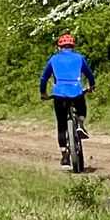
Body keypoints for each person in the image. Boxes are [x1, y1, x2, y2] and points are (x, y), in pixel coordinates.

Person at [39, 34, 95, 167]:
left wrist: (43, 93)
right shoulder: (79, 58)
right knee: (81, 106)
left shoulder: (53, 59)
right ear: (73, 46)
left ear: (59, 47)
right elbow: (89, 74)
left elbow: (44, 78)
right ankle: (80, 124)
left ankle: (64, 155)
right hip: (76, 91)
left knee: (61, 124)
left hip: (59, 94)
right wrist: (91, 85)